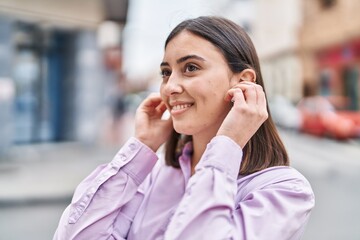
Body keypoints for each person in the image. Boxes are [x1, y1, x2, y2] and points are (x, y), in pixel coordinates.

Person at [53, 16, 315, 240]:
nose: (170, 87)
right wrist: (140, 148)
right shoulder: (152, 175)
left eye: (190, 68)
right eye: (166, 72)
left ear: (243, 82)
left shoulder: (284, 192)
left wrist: (227, 145)